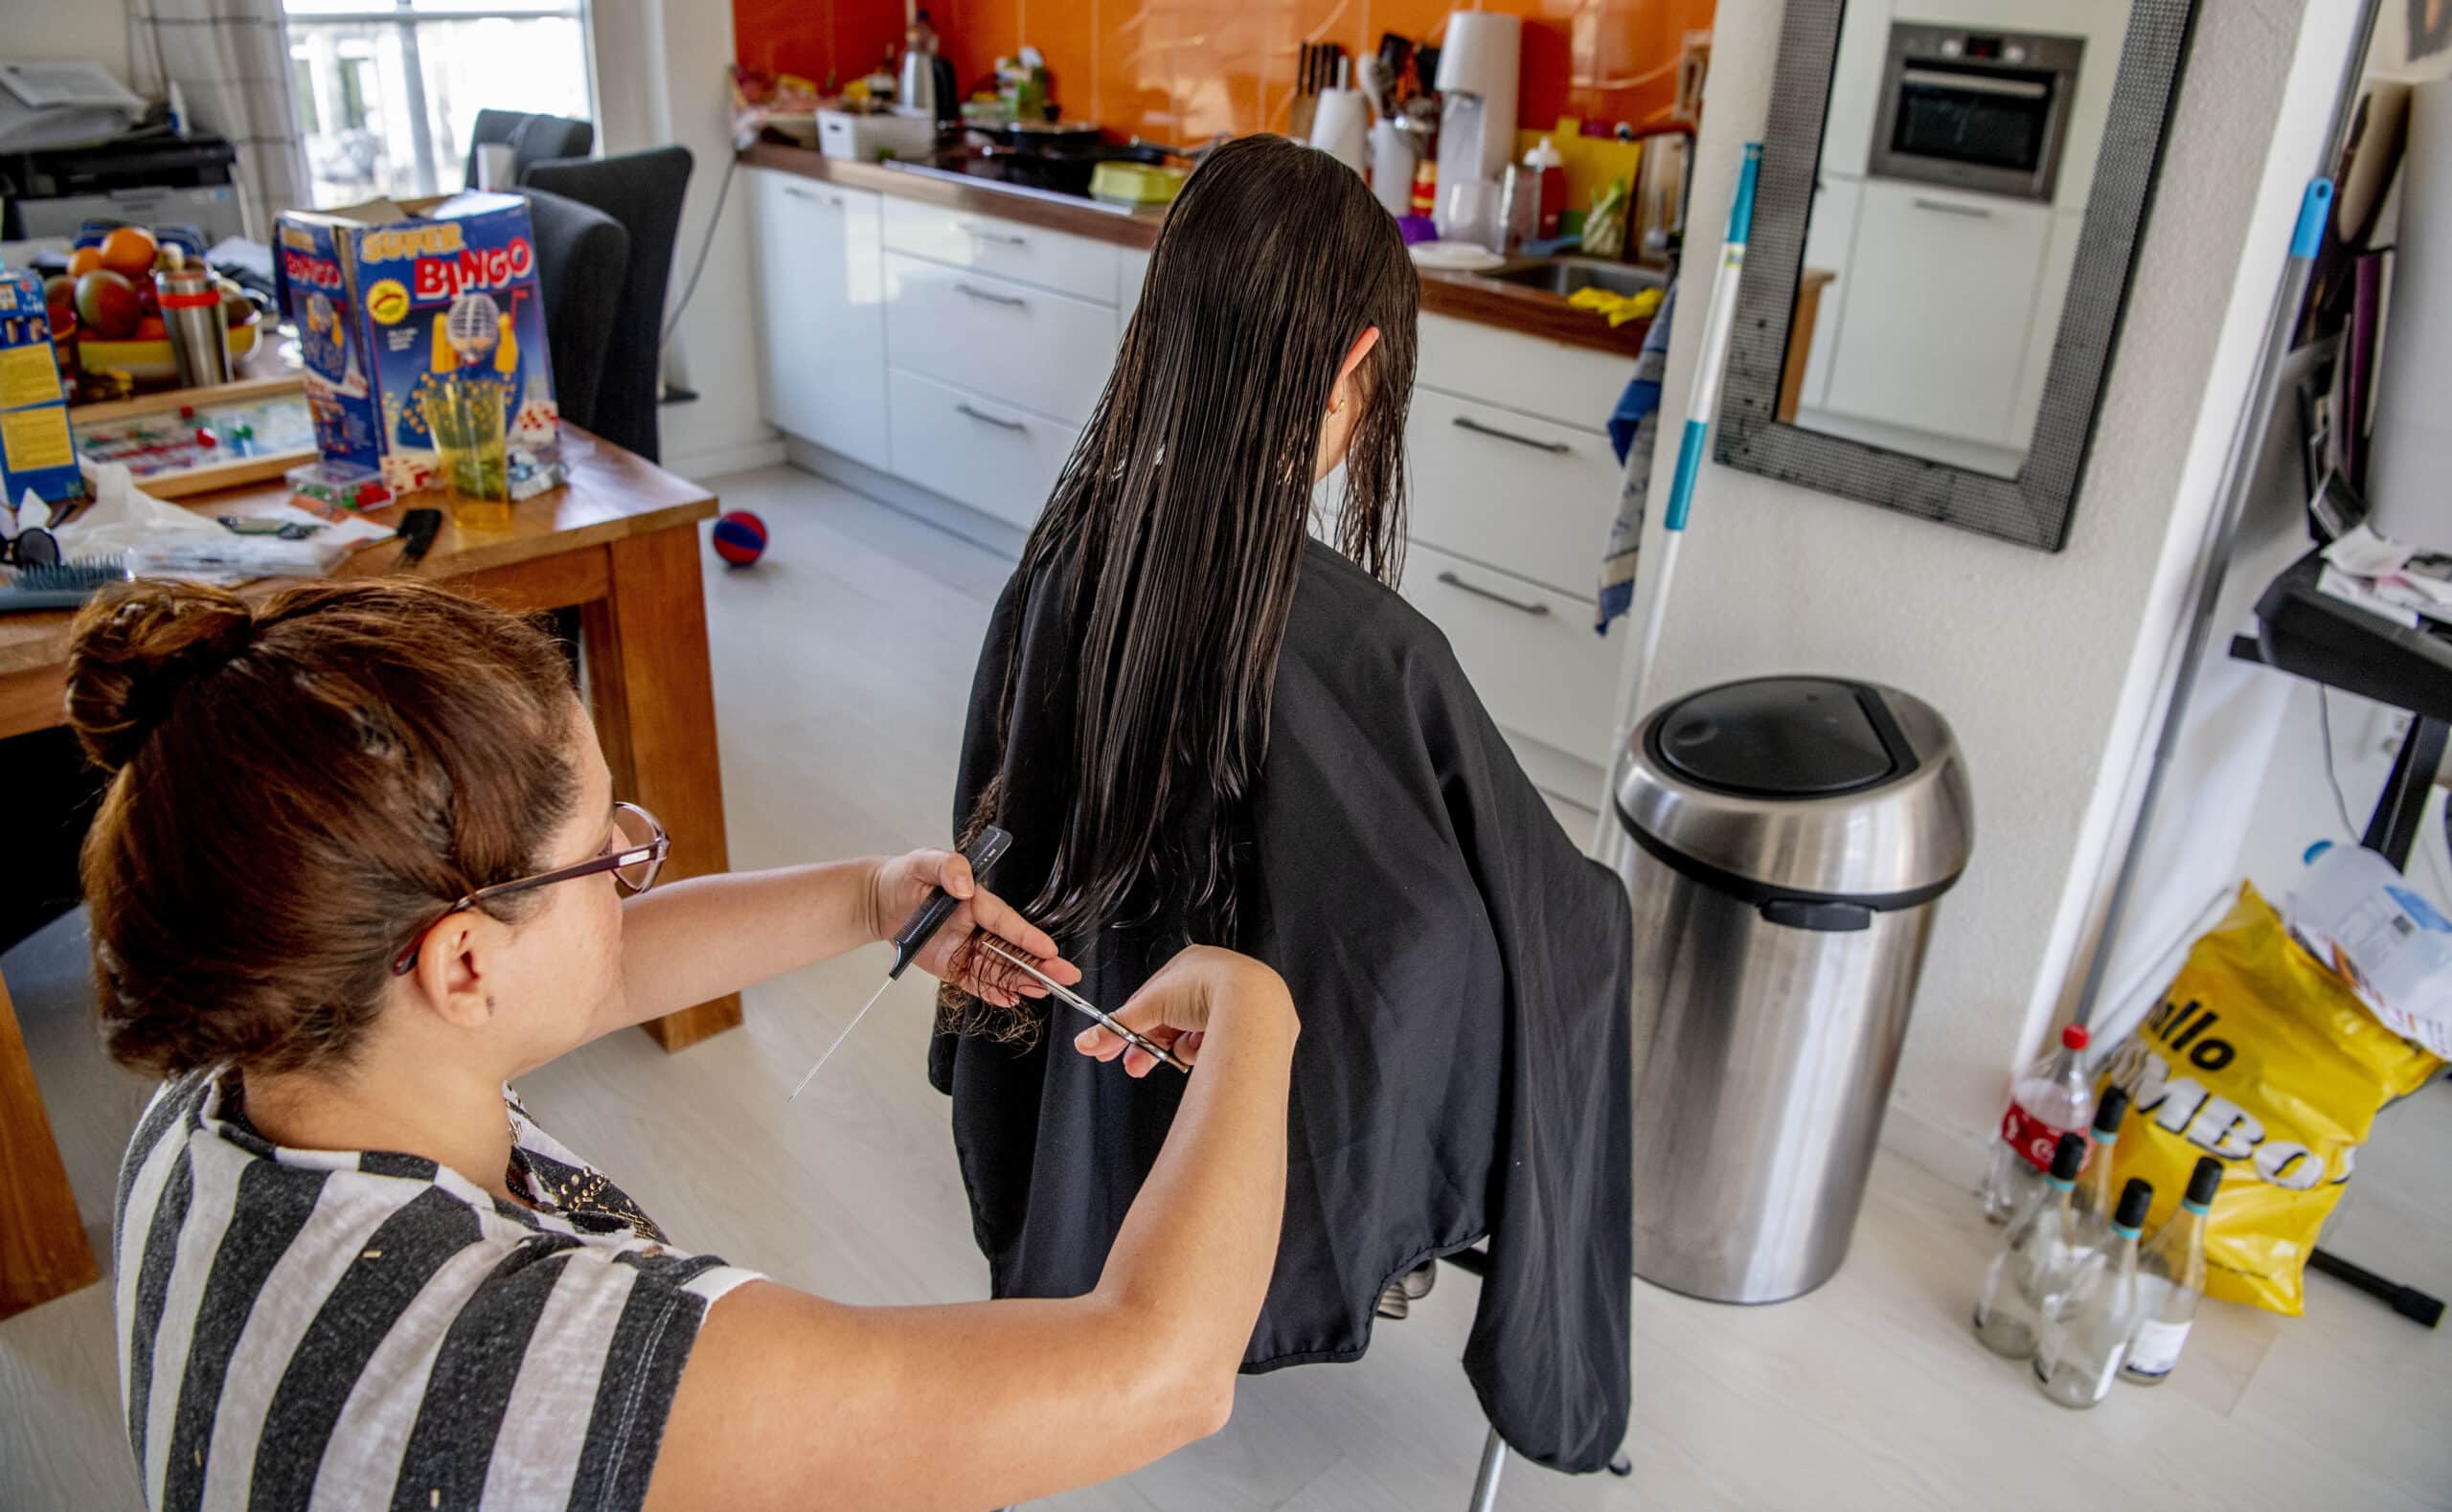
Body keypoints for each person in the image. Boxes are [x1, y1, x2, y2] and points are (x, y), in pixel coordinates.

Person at [76, 577, 1300, 1512]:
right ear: (463, 960)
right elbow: (1163, 1373)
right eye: (607, 862)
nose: (631, 874)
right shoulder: (542, 1364)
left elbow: (581, 976)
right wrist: (1258, 1016)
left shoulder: (225, 1088)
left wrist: (871, 898)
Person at [933, 133, 1635, 1475]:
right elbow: (1537, 923)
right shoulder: (1381, 651)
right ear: (1356, 367)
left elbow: (988, 837)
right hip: (1312, 1116)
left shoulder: (1062, 565)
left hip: (1086, 1090)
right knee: (1582, 923)